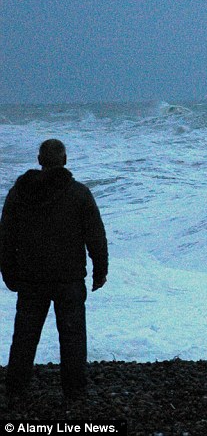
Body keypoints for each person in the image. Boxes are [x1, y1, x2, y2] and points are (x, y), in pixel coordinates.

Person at [0, 139, 108, 406]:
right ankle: (75, 392)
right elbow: (96, 236)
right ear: (65, 160)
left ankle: (15, 390)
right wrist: (100, 270)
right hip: (68, 279)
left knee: (24, 337)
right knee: (72, 336)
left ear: (39, 160)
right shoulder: (79, 194)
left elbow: (5, 237)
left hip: (31, 279)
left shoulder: (19, 194)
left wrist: (9, 273)